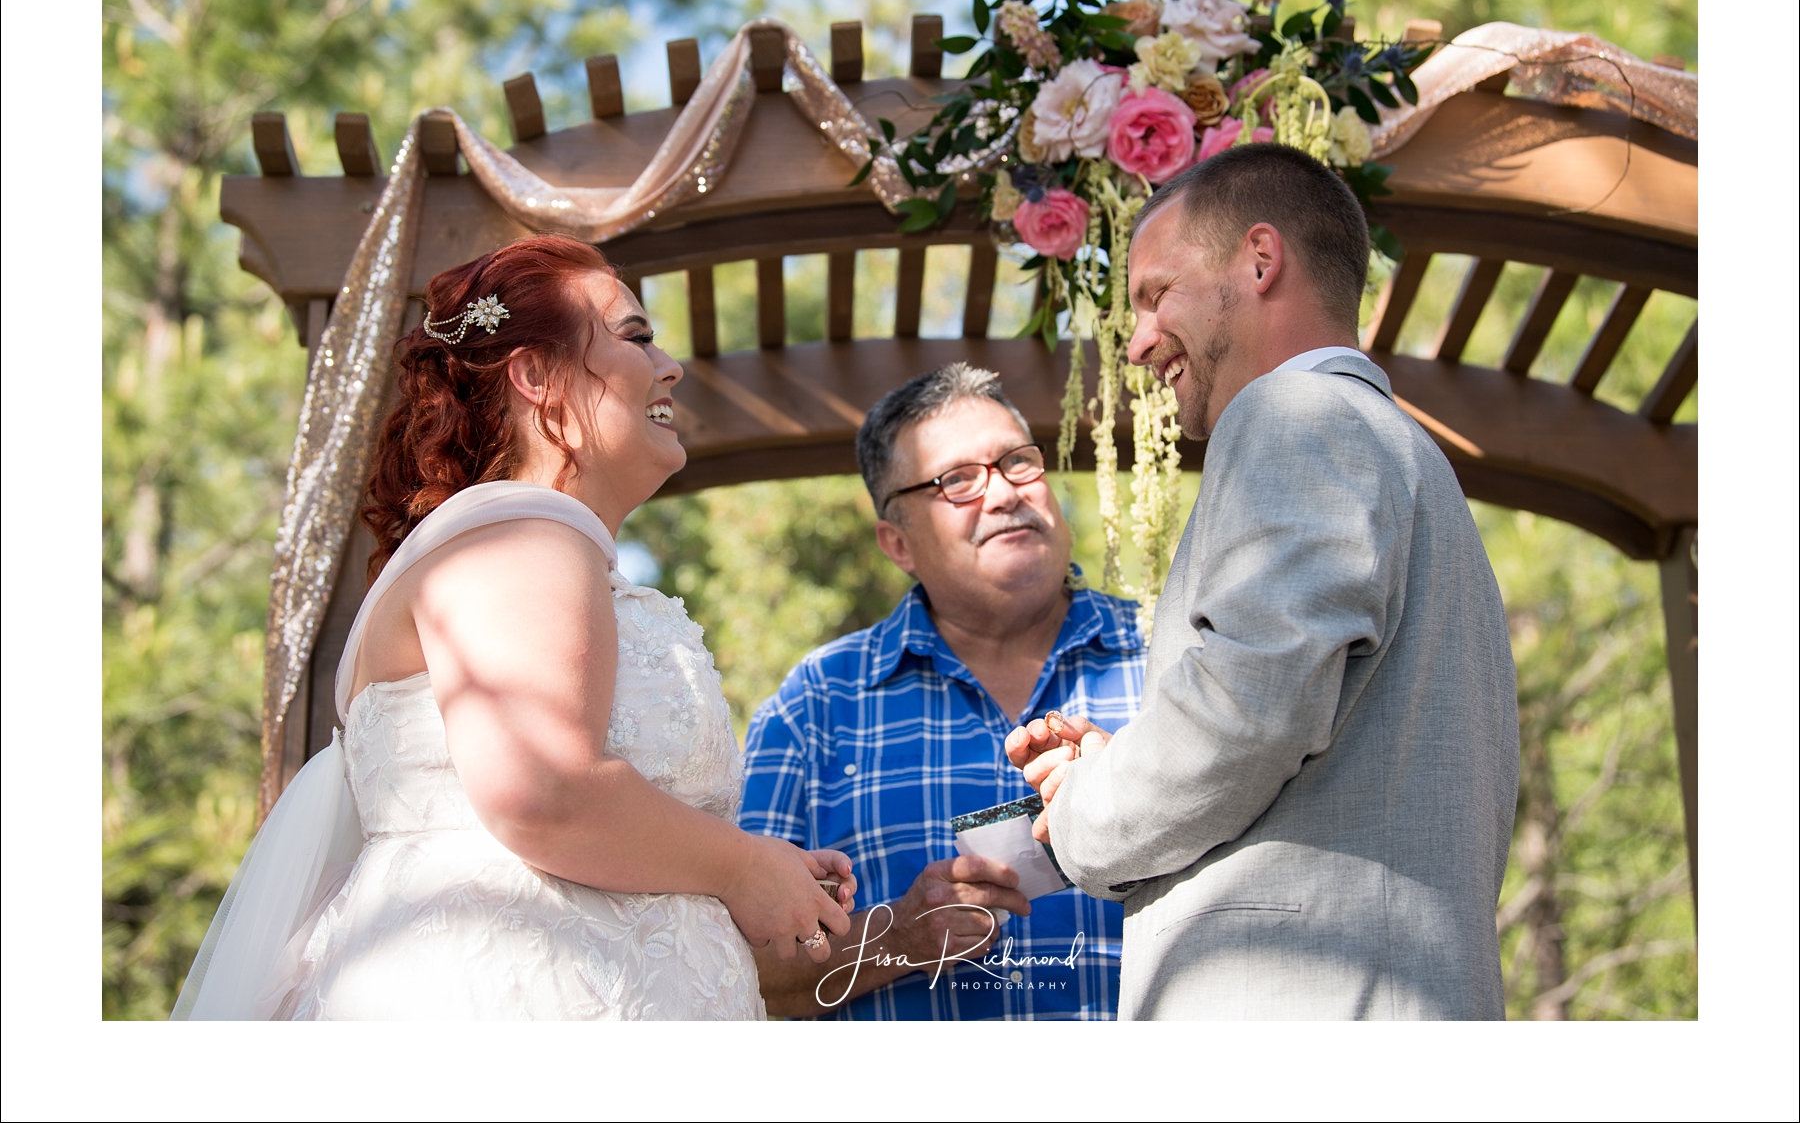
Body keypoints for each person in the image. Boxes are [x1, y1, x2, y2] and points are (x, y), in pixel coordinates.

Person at [174, 234, 853, 1020]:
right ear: (535, 373)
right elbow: (542, 791)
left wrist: (768, 882)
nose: (668, 365)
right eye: (635, 336)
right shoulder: (519, 534)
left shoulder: (529, 548)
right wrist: (740, 867)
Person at [1009, 143, 1519, 1020]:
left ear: (1258, 259)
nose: (1134, 344)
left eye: (1154, 293)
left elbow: (1249, 713)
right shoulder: (1399, 453)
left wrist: (1088, 814)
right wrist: (1125, 758)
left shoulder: (1298, 415)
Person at [739, 363, 1146, 1019]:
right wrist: (896, 937)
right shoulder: (815, 706)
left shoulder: (1172, 654)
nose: (1006, 494)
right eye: (957, 480)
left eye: (1017, 461)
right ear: (897, 543)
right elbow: (741, 976)